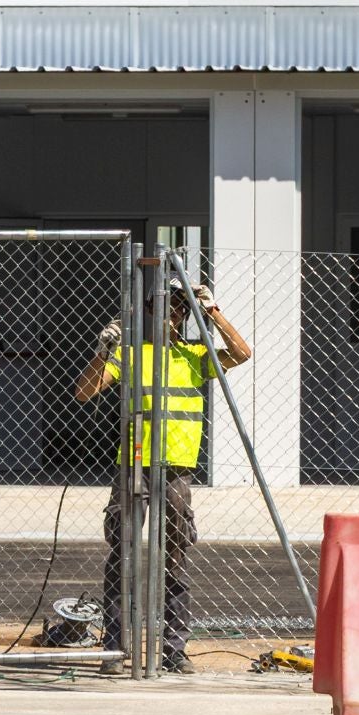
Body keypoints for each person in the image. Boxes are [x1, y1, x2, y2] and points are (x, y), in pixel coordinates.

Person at [74, 276, 250, 673]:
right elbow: (84, 391)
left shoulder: (193, 355)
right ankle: (117, 648)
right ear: (149, 313)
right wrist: (104, 351)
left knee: (173, 559)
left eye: (179, 311)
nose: (172, 317)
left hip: (176, 469)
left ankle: (173, 650)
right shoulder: (131, 354)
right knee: (123, 555)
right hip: (134, 464)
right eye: (165, 310)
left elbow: (241, 352)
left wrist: (212, 311)